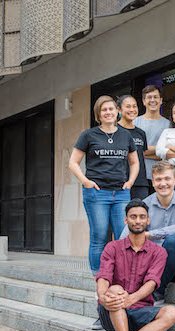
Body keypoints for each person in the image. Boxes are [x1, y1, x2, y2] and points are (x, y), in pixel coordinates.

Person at [94, 199, 175, 331]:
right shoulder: (112, 247)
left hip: (140, 311)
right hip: (112, 313)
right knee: (115, 291)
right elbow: (104, 276)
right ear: (126, 220)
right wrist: (102, 296)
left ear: (148, 220)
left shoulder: (158, 252)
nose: (137, 220)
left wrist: (131, 299)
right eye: (133, 217)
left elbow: (151, 283)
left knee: (171, 313)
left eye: (142, 217)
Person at [69, 95, 140, 275]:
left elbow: (134, 162)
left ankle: (122, 275)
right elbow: (73, 162)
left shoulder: (125, 135)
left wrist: (130, 182)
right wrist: (85, 181)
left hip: (121, 193)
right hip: (97, 193)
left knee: (123, 236)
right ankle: (98, 277)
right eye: (104, 110)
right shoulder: (88, 135)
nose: (108, 112)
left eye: (111, 109)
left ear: (117, 111)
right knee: (99, 236)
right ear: (98, 114)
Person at [121, 161, 175, 304]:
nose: (163, 183)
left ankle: (157, 293)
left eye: (167, 179)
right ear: (153, 182)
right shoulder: (145, 204)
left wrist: (148, 235)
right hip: (150, 262)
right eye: (158, 179)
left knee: (173, 240)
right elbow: (125, 235)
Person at [135, 85, 170, 191]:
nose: (152, 100)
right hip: (139, 176)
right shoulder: (135, 123)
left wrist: (143, 152)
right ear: (143, 101)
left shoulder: (168, 125)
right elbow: (134, 151)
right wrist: (159, 150)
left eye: (155, 97)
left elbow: (168, 153)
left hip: (161, 177)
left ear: (161, 100)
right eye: (149, 97)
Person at [117, 95, 149, 199]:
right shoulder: (114, 130)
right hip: (119, 182)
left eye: (134, 106)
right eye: (128, 106)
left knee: (140, 213)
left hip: (140, 183)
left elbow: (142, 155)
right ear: (119, 109)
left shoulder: (141, 133)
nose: (132, 110)